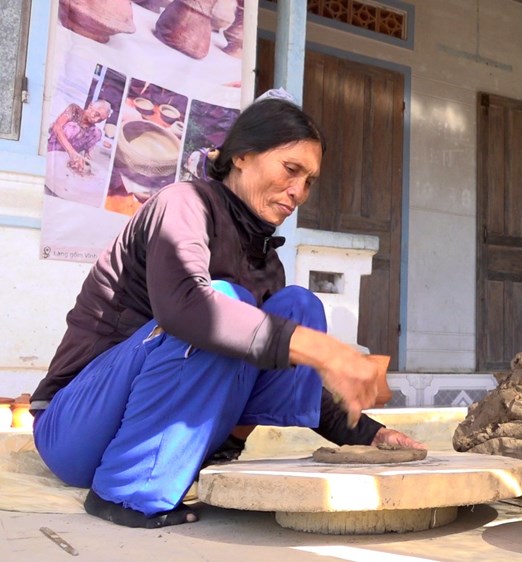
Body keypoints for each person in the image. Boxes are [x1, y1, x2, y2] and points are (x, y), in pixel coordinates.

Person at [30, 95, 422, 529]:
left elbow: (288, 364)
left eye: (309, 181)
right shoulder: (182, 204)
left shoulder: (265, 261)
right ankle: (128, 489)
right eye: (291, 170)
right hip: (75, 431)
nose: (299, 192)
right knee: (225, 303)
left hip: (168, 427)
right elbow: (187, 307)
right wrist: (323, 350)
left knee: (299, 308)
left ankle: (218, 450)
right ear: (242, 155)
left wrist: (371, 433)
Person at [48, 99, 112, 173]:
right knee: (73, 127)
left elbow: (88, 156)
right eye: (97, 114)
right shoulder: (74, 109)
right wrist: (72, 152)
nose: (96, 120)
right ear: (90, 106)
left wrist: (85, 162)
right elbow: (57, 126)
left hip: (68, 159)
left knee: (98, 133)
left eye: (100, 120)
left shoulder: (94, 133)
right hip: (53, 150)